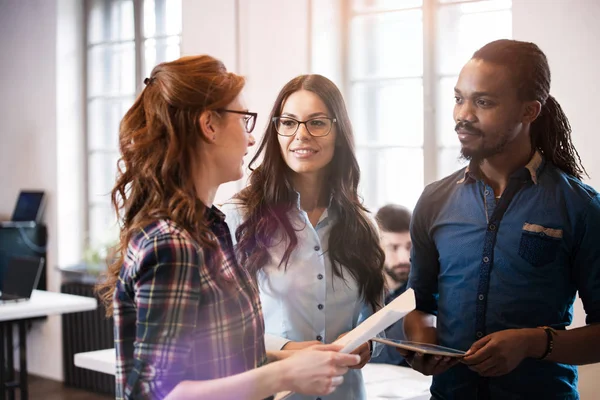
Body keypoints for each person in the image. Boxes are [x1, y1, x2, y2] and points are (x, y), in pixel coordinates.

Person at [96, 56, 361, 400]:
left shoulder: (211, 228)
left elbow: (218, 358)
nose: (252, 140)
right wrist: (284, 373)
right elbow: (156, 395)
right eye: (244, 120)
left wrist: (288, 356)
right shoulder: (172, 244)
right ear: (210, 125)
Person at [403, 39, 600, 399]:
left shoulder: (581, 208)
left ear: (529, 111)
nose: (463, 114)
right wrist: (422, 341)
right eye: (459, 98)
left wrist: (532, 343)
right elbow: (420, 305)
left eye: (483, 102)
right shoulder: (434, 201)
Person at [221, 74, 386, 400]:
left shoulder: (363, 225)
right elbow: (222, 330)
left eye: (317, 123)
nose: (301, 135)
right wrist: (287, 349)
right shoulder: (238, 218)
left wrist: (368, 345)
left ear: (339, 133)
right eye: (289, 122)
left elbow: (375, 320)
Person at [368, 204, 412, 366]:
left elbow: (385, 355)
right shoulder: (362, 291)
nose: (404, 258)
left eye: (410, 246)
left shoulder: (422, 292)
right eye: (393, 248)